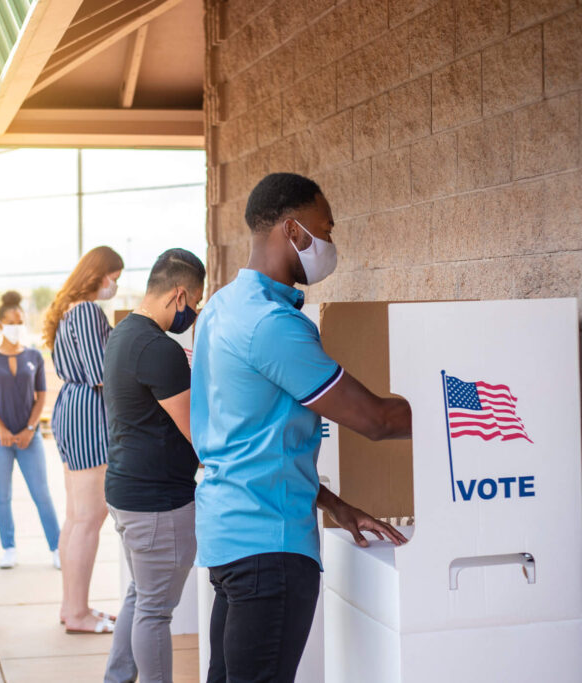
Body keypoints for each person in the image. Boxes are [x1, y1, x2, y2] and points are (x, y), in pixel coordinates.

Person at [191, 172, 413, 683]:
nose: (330, 243)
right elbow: (375, 420)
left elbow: (253, 442)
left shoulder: (222, 308)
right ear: (293, 231)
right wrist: (454, 417)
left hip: (229, 539)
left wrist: (335, 505)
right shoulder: (272, 325)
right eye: (325, 229)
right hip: (269, 551)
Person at [102, 249, 205, 683]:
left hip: (127, 493)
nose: (194, 313)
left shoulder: (123, 334)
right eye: (194, 303)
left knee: (140, 596)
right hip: (158, 503)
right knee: (155, 611)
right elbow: (197, 432)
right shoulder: (159, 349)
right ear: (179, 294)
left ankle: (118, 677)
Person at [43, 245, 125, 635]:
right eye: (115, 277)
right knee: (90, 518)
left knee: (77, 517)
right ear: (100, 274)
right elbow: (101, 372)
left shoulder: (67, 312)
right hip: (90, 412)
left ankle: (73, 606)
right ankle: (77, 612)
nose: (115, 285)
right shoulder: (89, 311)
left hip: (71, 409)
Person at [0, 291, 60, 570]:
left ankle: (57, 548)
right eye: (11, 322)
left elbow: (41, 395)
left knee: (41, 493)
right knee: (3, 495)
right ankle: (9, 548)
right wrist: (0, 429)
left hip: (29, 439)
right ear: (0, 325)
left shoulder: (34, 356)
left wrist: (29, 429)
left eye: (20, 322)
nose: (17, 327)